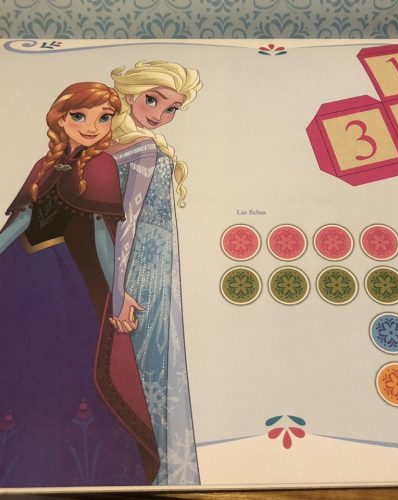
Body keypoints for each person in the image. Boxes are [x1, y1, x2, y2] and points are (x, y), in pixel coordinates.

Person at [0, 82, 159, 487]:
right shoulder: (45, 164)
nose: (92, 126)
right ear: (61, 117)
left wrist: (119, 295)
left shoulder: (101, 166)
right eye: (80, 115)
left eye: (104, 117)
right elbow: (21, 220)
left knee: (54, 367)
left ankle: (53, 467)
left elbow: (104, 238)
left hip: (59, 278)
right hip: (17, 269)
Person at [108, 61, 202, 485]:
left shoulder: (119, 147)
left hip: (144, 263)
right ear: (130, 94)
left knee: (144, 361)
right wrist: (120, 291)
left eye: (171, 108)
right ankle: (151, 467)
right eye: (152, 100)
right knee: (147, 362)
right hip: (142, 268)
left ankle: (142, 466)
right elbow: (127, 222)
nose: (159, 114)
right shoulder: (142, 149)